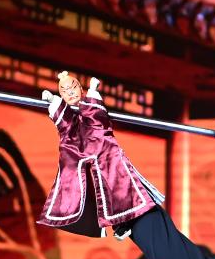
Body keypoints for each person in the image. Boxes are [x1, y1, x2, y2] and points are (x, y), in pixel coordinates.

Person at [36, 72, 163, 237]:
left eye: (73, 88)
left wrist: (93, 91)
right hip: (76, 153)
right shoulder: (69, 121)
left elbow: (98, 120)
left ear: (80, 88)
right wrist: (53, 101)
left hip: (103, 149)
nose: (70, 93)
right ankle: (117, 223)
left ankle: (123, 223)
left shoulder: (90, 109)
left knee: (115, 184)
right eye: (65, 91)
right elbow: (65, 125)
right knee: (80, 187)